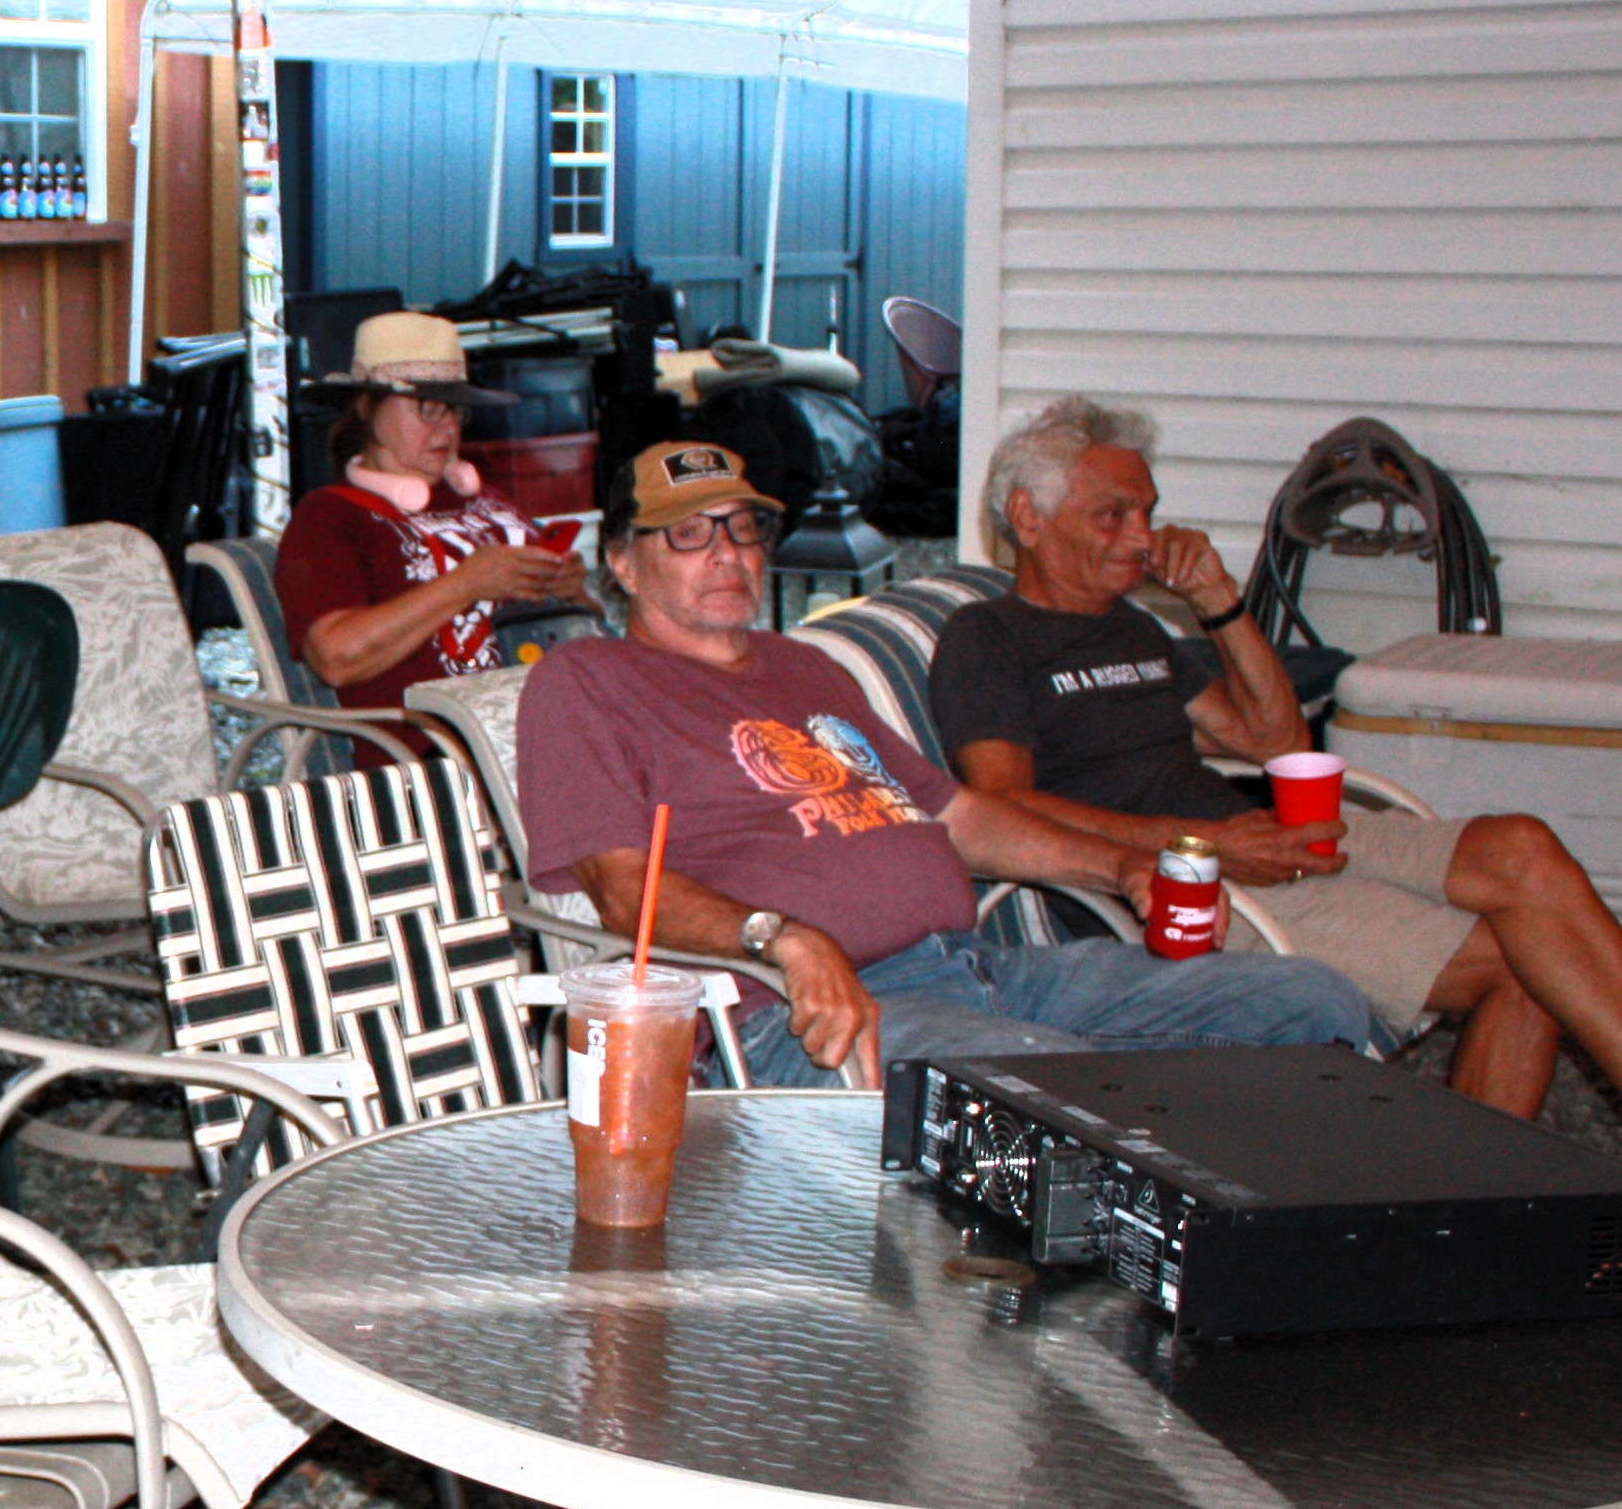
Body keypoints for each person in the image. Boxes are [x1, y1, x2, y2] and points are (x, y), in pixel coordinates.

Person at [933, 396, 1622, 1232]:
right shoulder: (989, 638)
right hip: (1192, 883)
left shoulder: (1137, 630)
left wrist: (1220, 603)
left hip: (1256, 831)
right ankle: (1489, 1208)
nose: (1143, 535)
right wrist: (1209, 844)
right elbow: (1004, 803)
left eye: (1147, 509)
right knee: (1527, 966)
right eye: (1114, 515)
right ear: (1028, 518)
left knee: (1520, 846)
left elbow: (1276, 741)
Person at [515, 441, 1379, 1090]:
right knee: (1061, 1090)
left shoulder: (801, 666)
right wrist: (784, 938)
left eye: (743, 529)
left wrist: (1122, 867)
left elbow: (957, 814)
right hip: (807, 1015)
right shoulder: (585, 682)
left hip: (978, 969)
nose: (726, 553)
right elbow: (624, 891)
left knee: (1314, 1002)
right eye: (687, 535)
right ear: (622, 563)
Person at [276, 311, 585, 708]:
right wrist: (465, 584)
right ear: (368, 408)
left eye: (455, 409)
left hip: (548, 708)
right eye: (427, 407)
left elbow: (583, 624)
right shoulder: (329, 517)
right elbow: (334, 659)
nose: (449, 427)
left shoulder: (485, 496)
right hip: (442, 735)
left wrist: (571, 592)